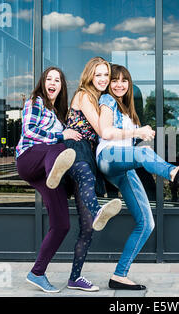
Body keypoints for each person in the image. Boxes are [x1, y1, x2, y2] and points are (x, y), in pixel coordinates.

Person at [96, 64, 179, 290]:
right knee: (144, 153)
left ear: (129, 84)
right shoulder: (107, 102)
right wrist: (137, 133)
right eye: (115, 80)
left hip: (122, 166)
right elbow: (105, 132)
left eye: (124, 80)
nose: (119, 84)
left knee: (146, 223)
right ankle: (174, 173)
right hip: (107, 157)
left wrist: (143, 136)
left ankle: (119, 275)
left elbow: (132, 145)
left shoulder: (127, 111)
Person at [16, 66, 82, 293]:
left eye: (57, 80)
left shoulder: (58, 114)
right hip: (29, 159)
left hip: (47, 173)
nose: (52, 83)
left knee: (62, 224)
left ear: (62, 86)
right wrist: (60, 135)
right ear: (43, 83)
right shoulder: (34, 102)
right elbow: (29, 131)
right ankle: (57, 171)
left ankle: (37, 273)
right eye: (48, 79)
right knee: (60, 145)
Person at [63, 57, 122, 292]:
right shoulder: (85, 95)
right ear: (89, 75)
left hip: (88, 154)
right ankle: (99, 211)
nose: (103, 79)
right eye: (99, 74)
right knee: (86, 178)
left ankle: (74, 278)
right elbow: (102, 130)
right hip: (75, 152)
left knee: (87, 227)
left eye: (106, 75)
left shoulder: (99, 100)